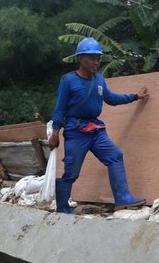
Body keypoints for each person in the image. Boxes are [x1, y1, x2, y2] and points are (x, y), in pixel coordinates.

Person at [49, 37, 150, 214]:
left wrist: (135, 96)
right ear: (81, 59)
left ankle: (123, 198)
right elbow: (59, 108)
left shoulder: (99, 80)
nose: (97, 62)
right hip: (76, 131)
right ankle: (63, 208)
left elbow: (111, 99)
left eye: (98, 58)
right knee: (71, 172)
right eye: (92, 58)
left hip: (95, 130)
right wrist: (55, 132)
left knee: (115, 156)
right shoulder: (68, 80)